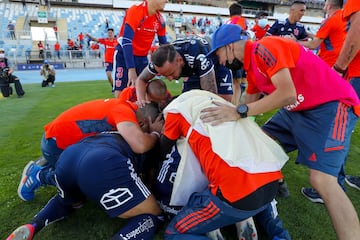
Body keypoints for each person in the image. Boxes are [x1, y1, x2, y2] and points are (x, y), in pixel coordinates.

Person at [201, 24, 360, 239]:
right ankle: (266, 196)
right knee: (254, 144)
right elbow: (249, 107)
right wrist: (231, 121)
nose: (220, 62)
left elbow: (287, 94)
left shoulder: (265, 47)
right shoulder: (252, 67)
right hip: (299, 109)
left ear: (229, 47)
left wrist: (238, 112)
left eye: (218, 54)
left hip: (331, 105)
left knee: (322, 180)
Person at [7, 104, 164, 240]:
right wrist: (156, 134)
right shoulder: (146, 139)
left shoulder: (115, 130)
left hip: (70, 156)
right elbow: (150, 177)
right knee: (155, 213)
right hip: (103, 164)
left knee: (68, 201)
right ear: (147, 122)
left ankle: (34, 224)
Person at [158, 90, 288, 239]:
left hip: (237, 196)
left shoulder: (175, 111)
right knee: (260, 204)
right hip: (271, 181)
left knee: (173, 233)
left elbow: (165, 147)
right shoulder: (220, 105)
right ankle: (276, 234)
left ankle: (228, 220)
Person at [17, 83, 166, 202]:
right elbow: (140, 145)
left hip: (59, 140)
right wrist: (154, 134)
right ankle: (39, 175)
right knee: (82, 182)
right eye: (145, 128)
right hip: (55, 144)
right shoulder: (123, 111)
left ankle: (48, 163)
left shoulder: (126, 106)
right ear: (144, 121)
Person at [297, 0, 347, 203]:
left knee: (331, 129)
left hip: (331, 76)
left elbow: (315, 44)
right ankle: (334, 182)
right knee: (337, 129)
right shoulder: (342, 19)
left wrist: (292, 43)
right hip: (338, 76)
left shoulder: (333, 19)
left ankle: (331, 185)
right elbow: (324, 40)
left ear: (329, 4)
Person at [135, 36, 233, 107]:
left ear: (179, 60)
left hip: (217, 63)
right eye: (164, 75)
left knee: (221, 103)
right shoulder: (160, 60)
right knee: (185, 103)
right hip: (193, 69)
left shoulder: (199, 57)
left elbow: (210, 96)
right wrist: (141, 100)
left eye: (171, 73)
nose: (169, 79)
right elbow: (141, 79)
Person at [113, 0, 168, 98]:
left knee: (144, 93)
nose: (167, 1)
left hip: (142, 58)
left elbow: (165, 47)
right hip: (124, 55)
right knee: (120, 93)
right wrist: (131, 69)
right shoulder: (136, 10)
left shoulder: (160, 20)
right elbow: (126, 40)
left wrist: (166, 67)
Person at [333, 0, 360, 192]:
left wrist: (338, 69)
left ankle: (332, 185)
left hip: (356, 75)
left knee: (338, 130)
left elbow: (357, 32)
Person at [298, 0, 345, 67]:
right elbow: (331, 38)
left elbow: (313, 45)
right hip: (342, 62)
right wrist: (309, 35)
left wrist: (295, 41)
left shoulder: (330, 21)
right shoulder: (345, 17)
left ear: (329, 6)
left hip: (329, 62)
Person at [226, 2, 249, 105]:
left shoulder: (227, 22)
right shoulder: (242, 21)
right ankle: (235, 104)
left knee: (233, 81)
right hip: (239, 54)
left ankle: (233, 103)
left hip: (228, 54)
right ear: (241, 12)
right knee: (238, 82)